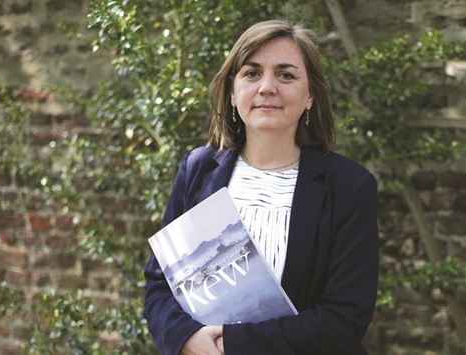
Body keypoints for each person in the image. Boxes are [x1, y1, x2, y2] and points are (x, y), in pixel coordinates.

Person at [143, 19, 379, 355]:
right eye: (252, 73)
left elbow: (344, 319)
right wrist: (185, 339)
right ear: (233, 91)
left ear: (310, 95)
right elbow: (159, 284)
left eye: (286, 75)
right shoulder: (197, 169)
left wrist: (230, 346)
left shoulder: (349, 187)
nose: (267, 87)